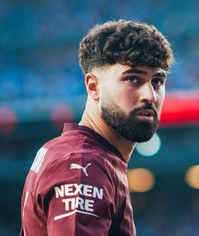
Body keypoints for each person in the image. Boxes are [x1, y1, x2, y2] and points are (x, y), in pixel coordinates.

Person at [20, 19, 174, 236]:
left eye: (157, 81)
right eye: (132, 79)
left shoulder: (89, 157)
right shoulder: (82, 164)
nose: (149, 95)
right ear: (93, 86)